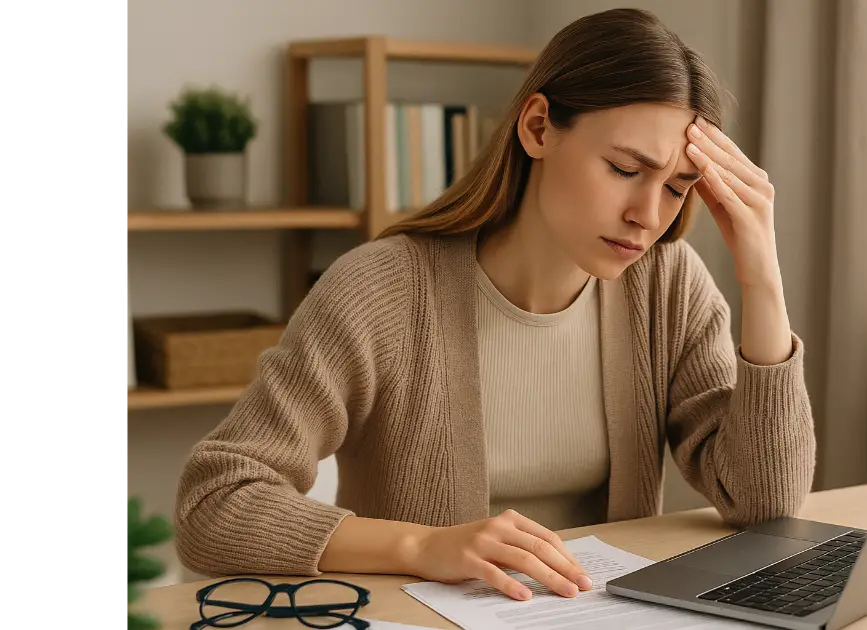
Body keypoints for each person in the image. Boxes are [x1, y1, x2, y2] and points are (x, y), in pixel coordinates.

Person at [174, 7, 815, 603]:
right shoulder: (381, 291)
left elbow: (765, 503)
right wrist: (420, 545)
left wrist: (762, 274)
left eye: (677, 187)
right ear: (538, 128)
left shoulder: (667, 286)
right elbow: (213, 504)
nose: (647, 216)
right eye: (624, 168)